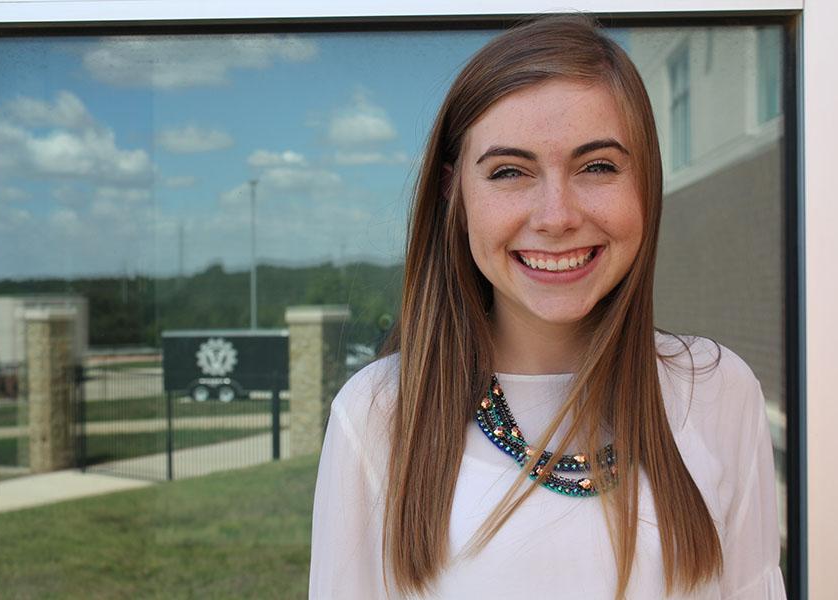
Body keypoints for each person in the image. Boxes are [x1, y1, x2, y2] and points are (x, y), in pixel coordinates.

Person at [309, 15, 785, 600]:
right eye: (510, 171)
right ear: (452, 194)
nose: (556, 215)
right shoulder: (378, 414)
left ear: (647, 184)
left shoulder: (718, 391)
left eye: (598, 166)